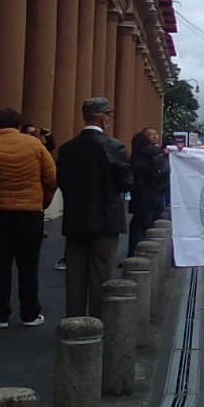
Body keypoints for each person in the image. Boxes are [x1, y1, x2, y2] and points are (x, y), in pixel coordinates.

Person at [0, 108, 57, 328]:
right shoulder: (35, 145)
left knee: (0, 266)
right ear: (18, 125)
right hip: (30, 213)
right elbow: (51, 178)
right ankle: (30, 313)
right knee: (29, 265)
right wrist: (42, 203)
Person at [56, 98, 133, 318]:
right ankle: (98, 321)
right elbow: (126, 182)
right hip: (106, 217)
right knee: (101, 271)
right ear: (103, 118)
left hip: (75, 216)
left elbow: (61, 180)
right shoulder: (114, 147)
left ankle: (74, 320)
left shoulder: (67, 148)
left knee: (75, 273)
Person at [127, 130, 166, 257]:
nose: (155, 136)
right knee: (148, 224)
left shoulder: (137, 153)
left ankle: (133, 253)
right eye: (151, 135)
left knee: (138, 224)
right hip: (151, 193)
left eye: (156, 134)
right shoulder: (153, 152)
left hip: (140, 193)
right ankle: (142, 254)